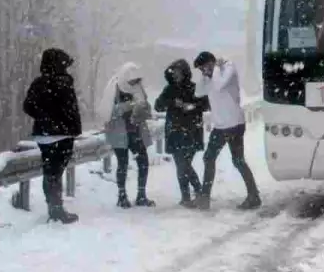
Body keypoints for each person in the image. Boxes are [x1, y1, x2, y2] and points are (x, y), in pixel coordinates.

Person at [193, 51, 262, 210]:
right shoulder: (211, 77)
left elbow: (219, 85)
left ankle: (205, 198)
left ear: (212, 62)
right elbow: (198, 92)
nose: (204, 71)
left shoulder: (227, 68)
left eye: (205, 67)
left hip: (233, 124)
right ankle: (253, 195)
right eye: (201, 70)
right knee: (233, 160)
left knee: (217, 158)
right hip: (221, 126)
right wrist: (206, 75)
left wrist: (216, 68)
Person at [22, 48, 82, 224]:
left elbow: (28, 106)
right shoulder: (64, 82)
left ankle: (53, 207)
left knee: (50, 172)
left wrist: (44, 117)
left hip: (43, 135)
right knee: (56, 172)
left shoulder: (38, 83)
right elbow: (71, 110)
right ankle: (56, 210)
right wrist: (69, 126)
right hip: (62, 134)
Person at [154, 59, 210, 207]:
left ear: (185, 73)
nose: (176, 76)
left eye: (178, 72)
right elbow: (158, 106)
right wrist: (172, 103)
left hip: (192, 131)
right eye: (174, 73)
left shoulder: (194, 88)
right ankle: (189, 195)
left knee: (184, 165)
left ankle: (197, 192)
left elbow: (206, 104)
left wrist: (190, 106)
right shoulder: (169, 90)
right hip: (174, 132)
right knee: (182, 165)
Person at [101, 62, 154, 208]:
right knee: (122, 163)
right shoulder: (114, 88)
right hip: (119, 131)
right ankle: (122, 195)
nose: (134, 83)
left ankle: (141, 195)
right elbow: (108, 111)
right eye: (132, 81)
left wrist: (144, 108)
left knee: (143, 161)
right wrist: (129, 105)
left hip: (136, 130)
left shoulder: (138, 88)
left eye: (136, 81)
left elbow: (145, 104)